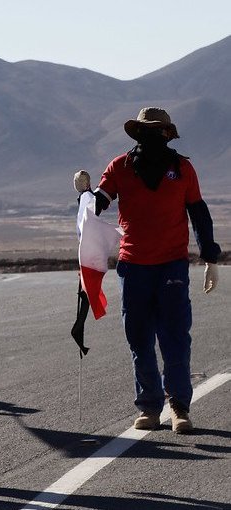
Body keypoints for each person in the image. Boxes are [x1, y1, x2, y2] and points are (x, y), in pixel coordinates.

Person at [93, 107, 220, 433]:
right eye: (147, 131)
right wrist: (85, 193)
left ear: (166, 134)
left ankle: (179, 408)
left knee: (175, 337)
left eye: (158, 131)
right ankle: (149, 407)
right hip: (133, 268)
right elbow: (99, 201)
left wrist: (210, 258)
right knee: (139, 338)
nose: (153, 137)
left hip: (171, 265)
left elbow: (199, 214)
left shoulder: (182, 168)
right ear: (138, 134)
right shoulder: (120, 167)